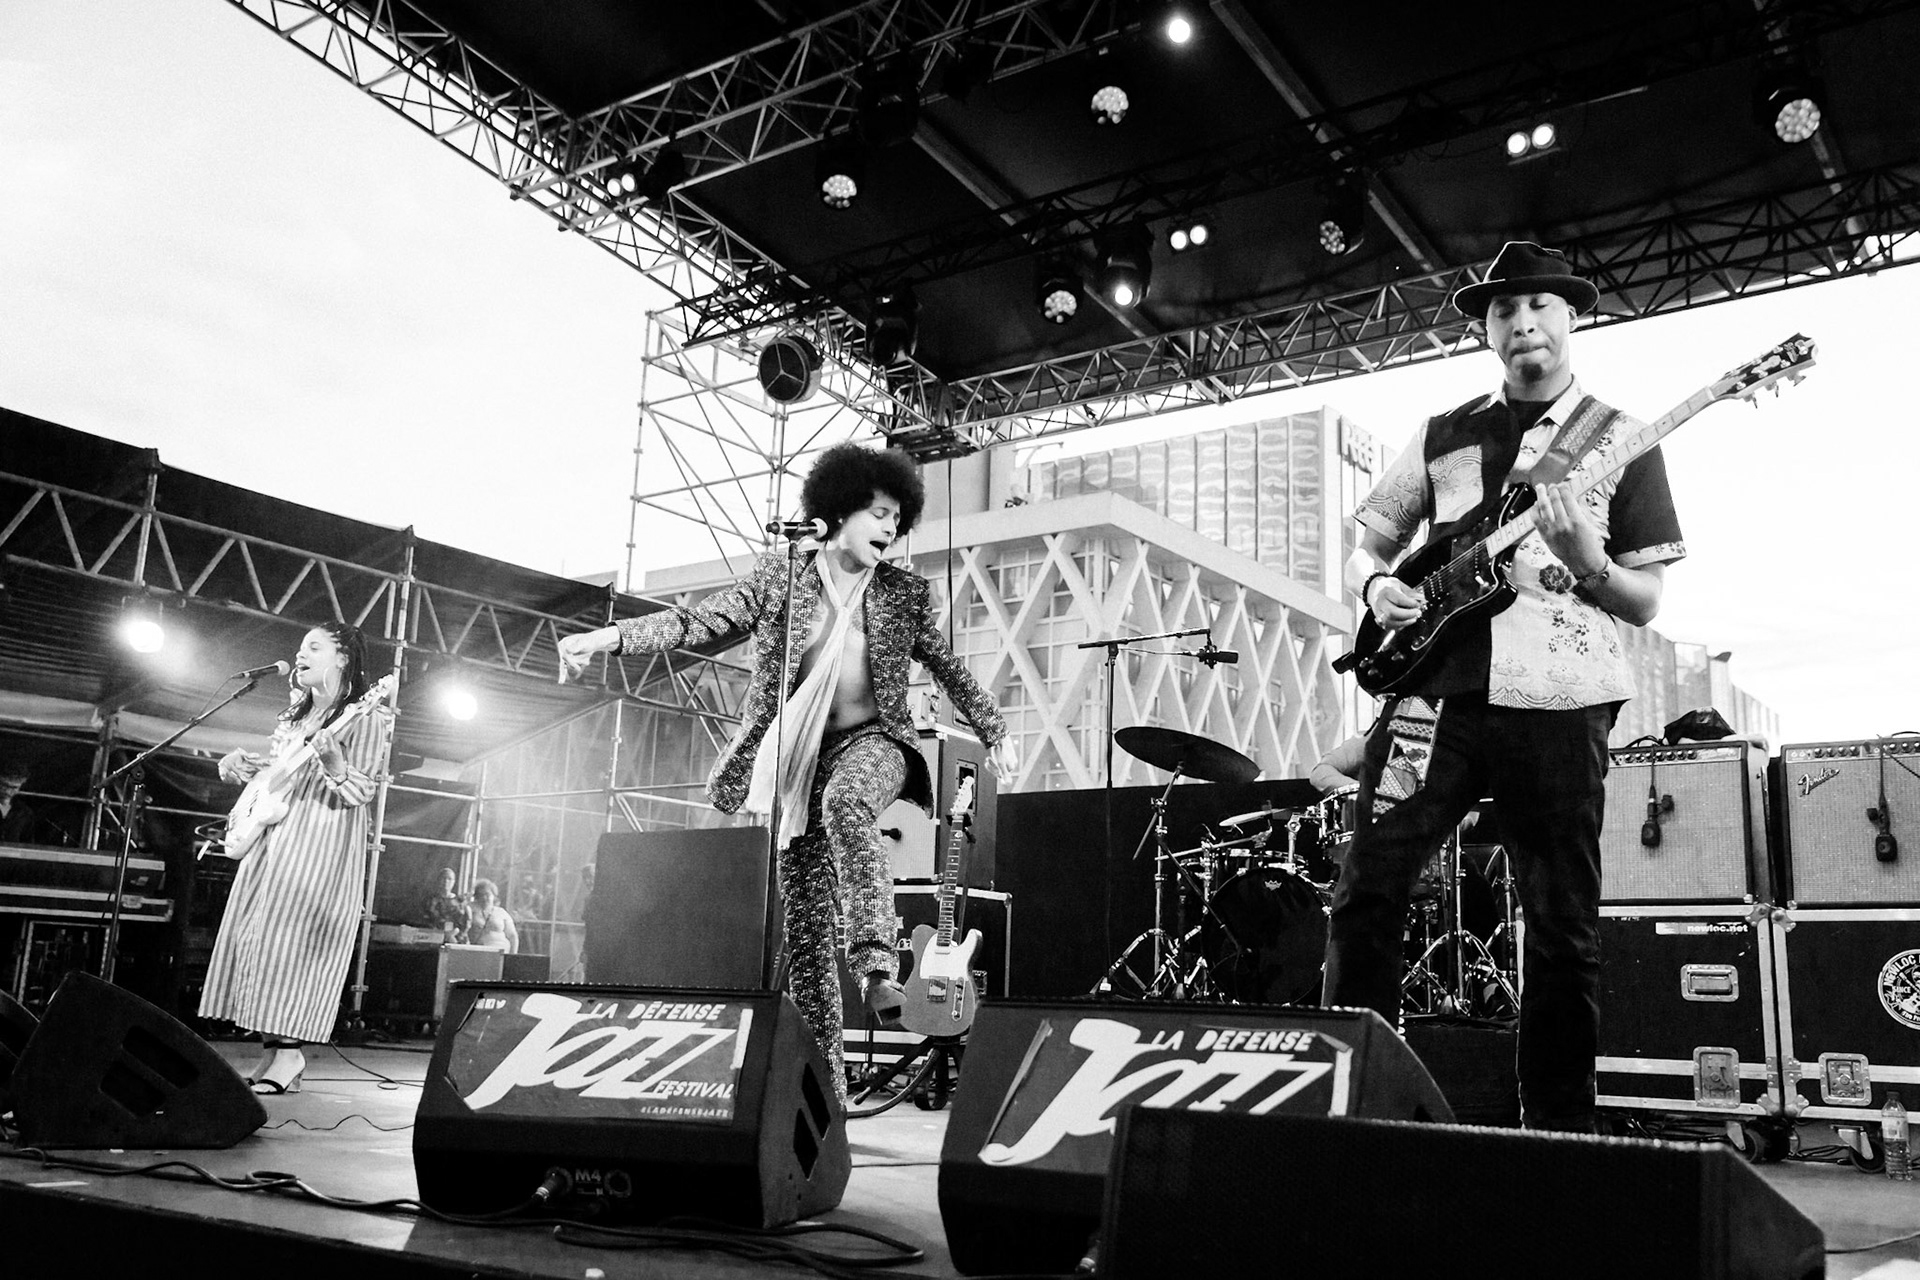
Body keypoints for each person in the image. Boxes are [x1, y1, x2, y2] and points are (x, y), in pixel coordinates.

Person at [1324, 242, 1685, 1132]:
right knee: (1366, 890)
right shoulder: (1444, 430)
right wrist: (1376, 587)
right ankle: (1360, 1117)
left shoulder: (1621, 439)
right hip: (1429, 694)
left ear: (1571, 318)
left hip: (1561, 703)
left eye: (1541, 307)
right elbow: (1368, 535)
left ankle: (1558, 1133)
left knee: (1562, 928)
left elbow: (1643, 599)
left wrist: (1589, 561)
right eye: (1503, 311)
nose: (1523, 324)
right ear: (1486, 329)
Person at [559, 442, 1013, 1105]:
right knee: (803, 937)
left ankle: (878, 966)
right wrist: (608, 639)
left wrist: (994, 730)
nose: (889, 528)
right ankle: (824, 1097)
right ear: (836, 512)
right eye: (877, 513)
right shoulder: (782, 579)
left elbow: (947, 667)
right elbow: (698, 621)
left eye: (896, 517)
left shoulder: (902, 595)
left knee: (849, 804)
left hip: (875, 743)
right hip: (796, 761)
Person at [201, 622, 393, 1094]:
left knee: (291, 945)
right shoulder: (295, 715)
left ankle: (290, 1056)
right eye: (300, 646)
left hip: (320, 841)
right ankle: (272, 1054)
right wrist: (244, 768)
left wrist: (334, 763)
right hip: (273, 835)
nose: (300, 654)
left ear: (344, 658)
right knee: (259, 938)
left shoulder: (366, 717)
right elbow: (284, 774)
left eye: (314, 647)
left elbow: (362, 790)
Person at [466, 877, 519, 953]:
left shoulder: (501, 912)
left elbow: (512, 936)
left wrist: (513, 956)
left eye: (487, 894)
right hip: (479, 952)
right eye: (481, 895)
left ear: (494, 896)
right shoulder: (470, 910)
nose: (484, 898)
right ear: (476, 897)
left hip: (502, 952)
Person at [0, 759, 39, 843]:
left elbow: (28, 845)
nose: (7, 791)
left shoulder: (25, 812)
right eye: (4, 785)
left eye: (14, 787)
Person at [423, 866, 467, 938]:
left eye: (449, 879)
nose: (446, 881)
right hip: (434, 936)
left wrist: (453, 934)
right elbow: (426, 920)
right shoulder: (430, 901)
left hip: (456, 939)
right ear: (438, 880)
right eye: (443, 878)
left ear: (454, 881)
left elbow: (464, 924)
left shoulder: (461, 903)